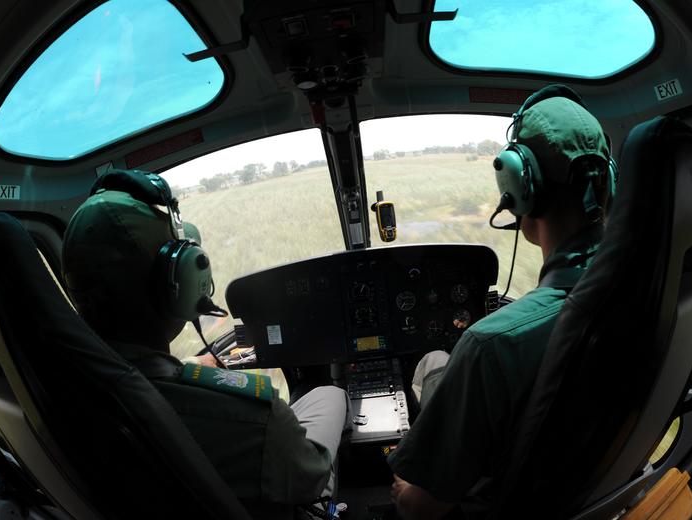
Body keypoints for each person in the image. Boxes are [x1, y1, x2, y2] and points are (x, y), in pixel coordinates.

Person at [61, 169, 351, 510]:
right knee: (330, 395)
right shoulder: (258, 421)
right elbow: (310, 478)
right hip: (295, 486)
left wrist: (179, 368)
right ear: (181, 280)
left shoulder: (62, 383)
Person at [387, 85, 615, 519]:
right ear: (610, 182)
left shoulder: (491, 344)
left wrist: (404, 489)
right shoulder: (645, 291)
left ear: (519, 184)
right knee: (436, 361)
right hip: (602, 492)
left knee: (434, 363)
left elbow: (423, 509)